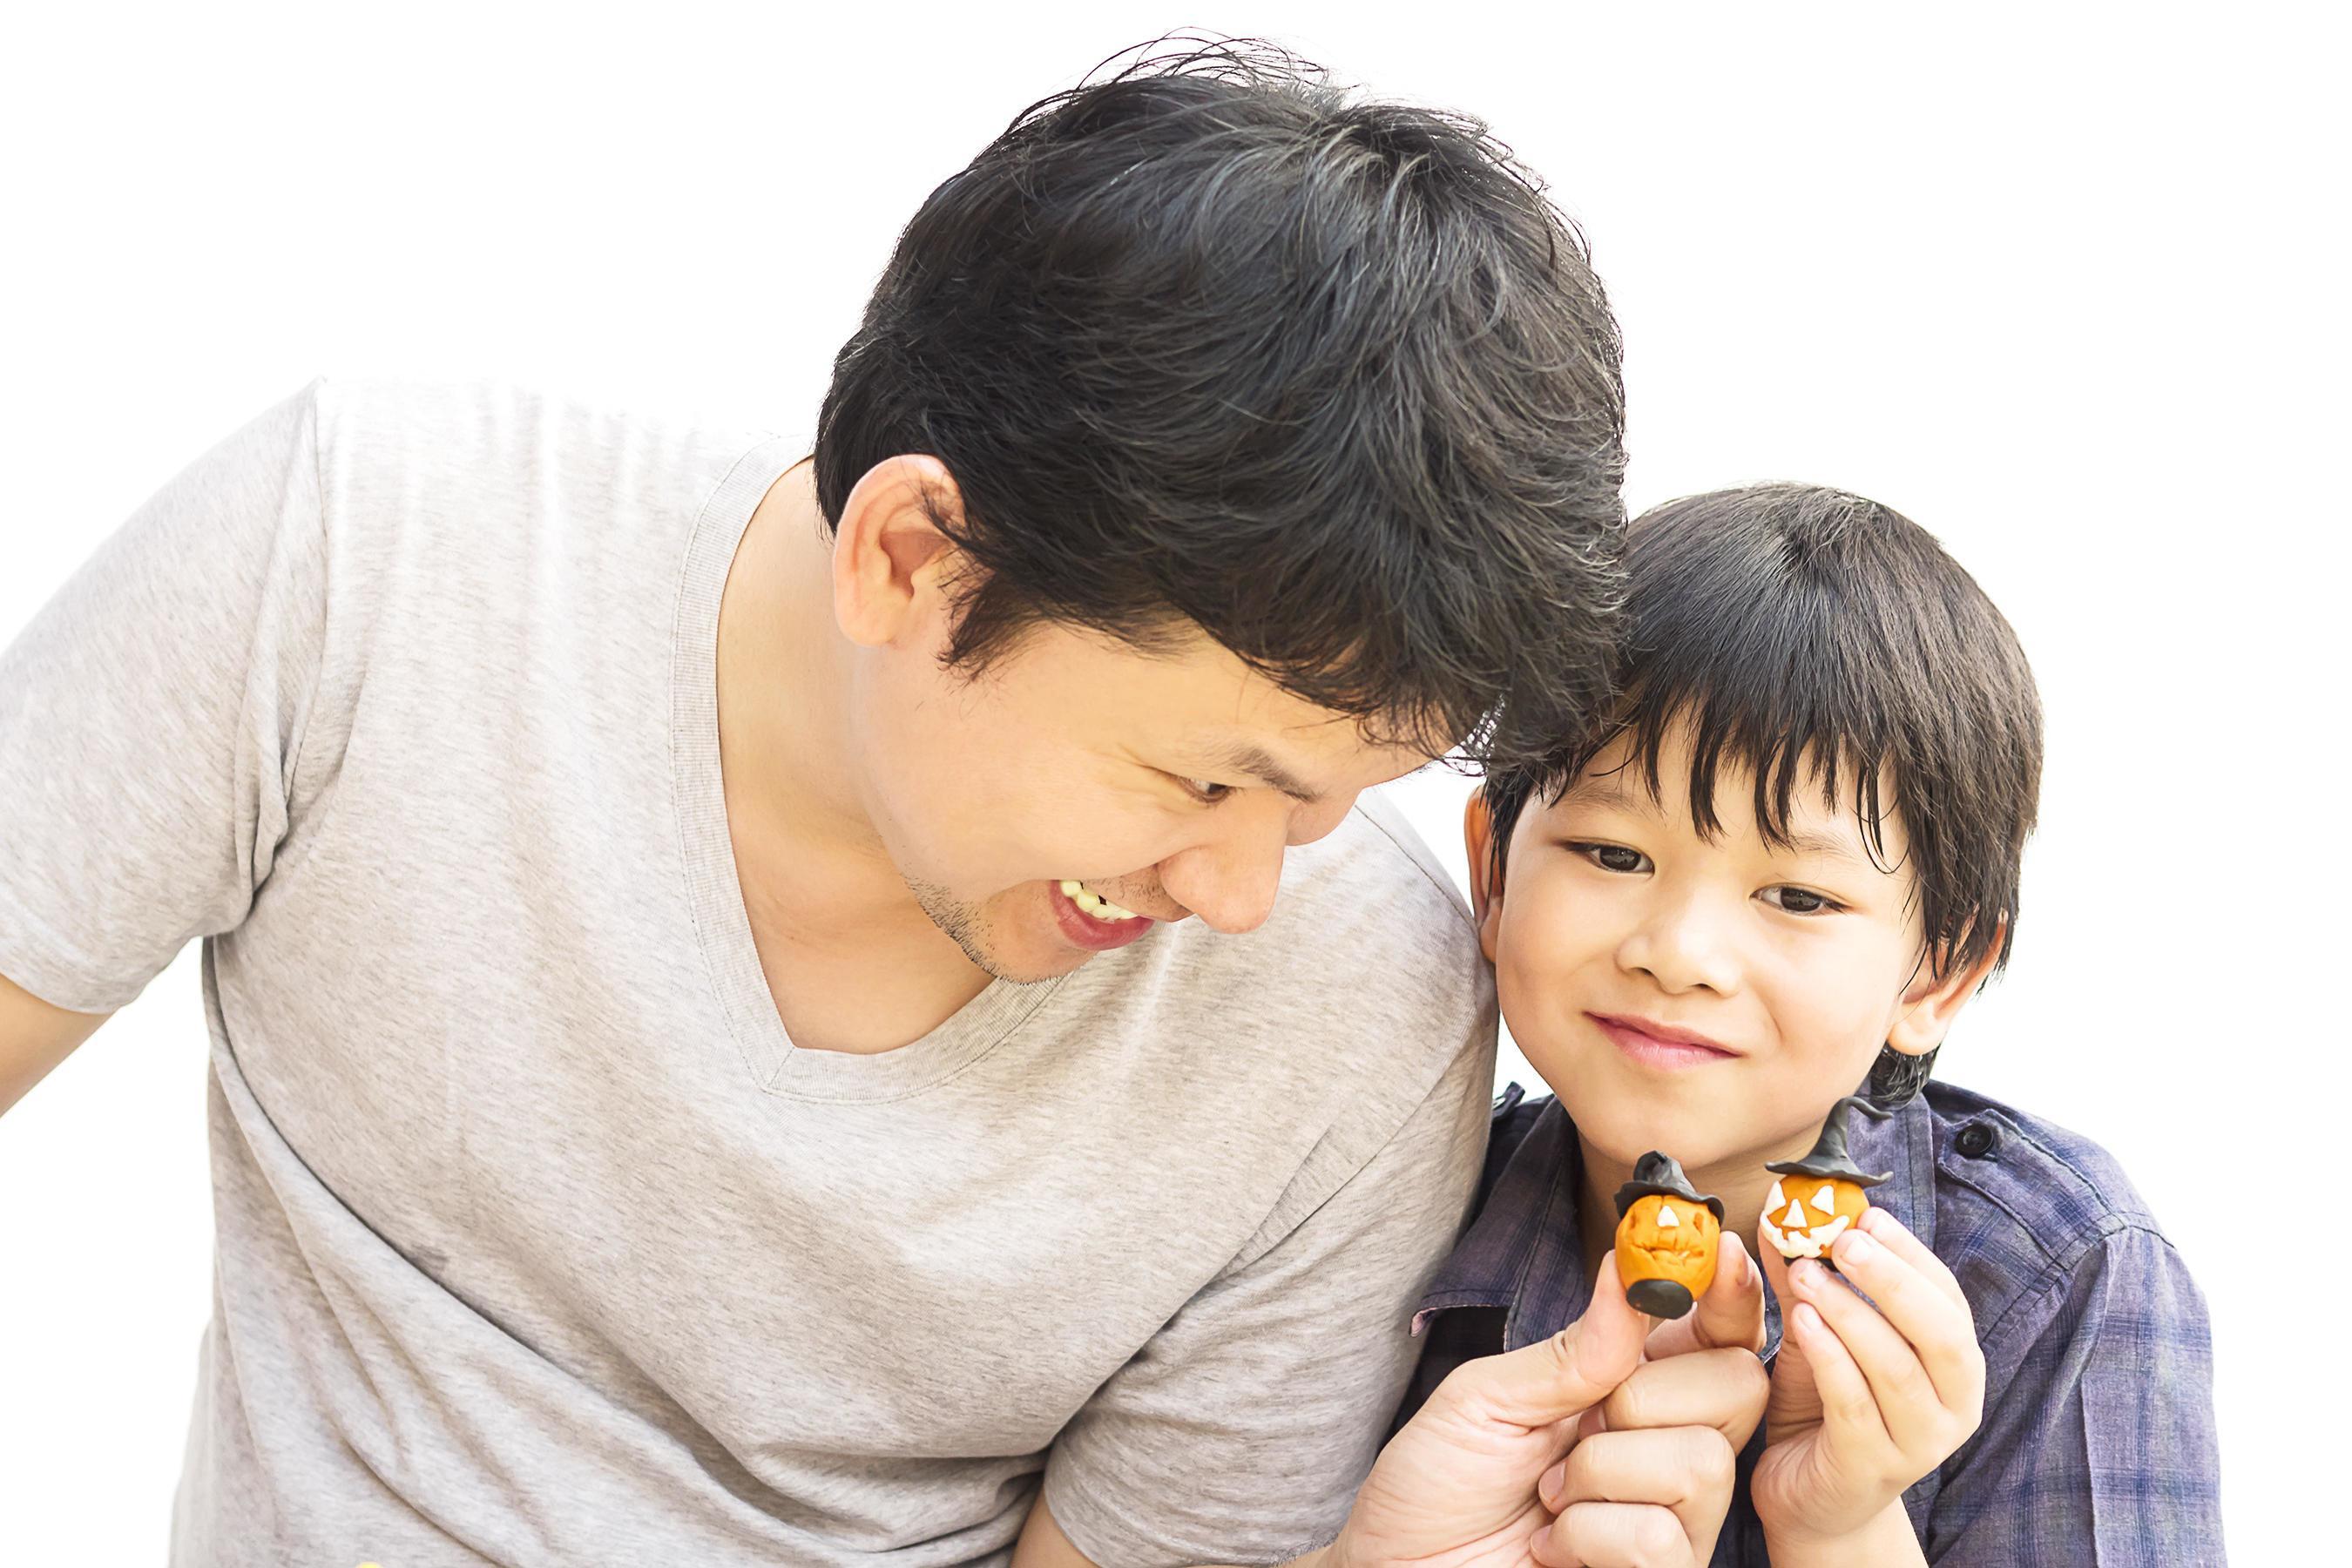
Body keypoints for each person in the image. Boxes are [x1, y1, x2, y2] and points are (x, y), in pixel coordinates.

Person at [0, 41, 1638, 1567]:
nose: (1239, 894)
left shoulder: (1357, 1020)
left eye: (1324, 807)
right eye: (1205, 779)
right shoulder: (365, 563)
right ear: (912, 560)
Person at [1398, 483, 2226, 1565]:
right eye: (1613, 855)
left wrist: (1840, 1527)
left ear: (1939, 972)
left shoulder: (2058, 1274)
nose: (1679, 953)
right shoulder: (1395, 1189)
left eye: (1797, 898)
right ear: (1493, 875)